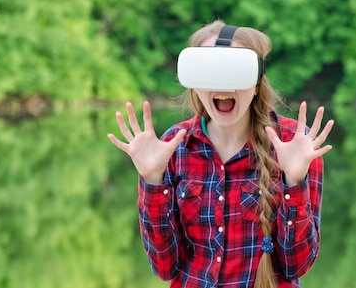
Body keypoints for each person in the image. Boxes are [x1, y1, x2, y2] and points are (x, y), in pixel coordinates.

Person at [107, 21, 334, 288]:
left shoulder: (295, 144)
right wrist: (152, 182)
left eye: (234, 71)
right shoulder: (173, 146)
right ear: (194, 84)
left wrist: (294, 184)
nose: (222, 84)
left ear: (257, 83)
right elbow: (165, 267)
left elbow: (297, 265)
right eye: (209, 72)